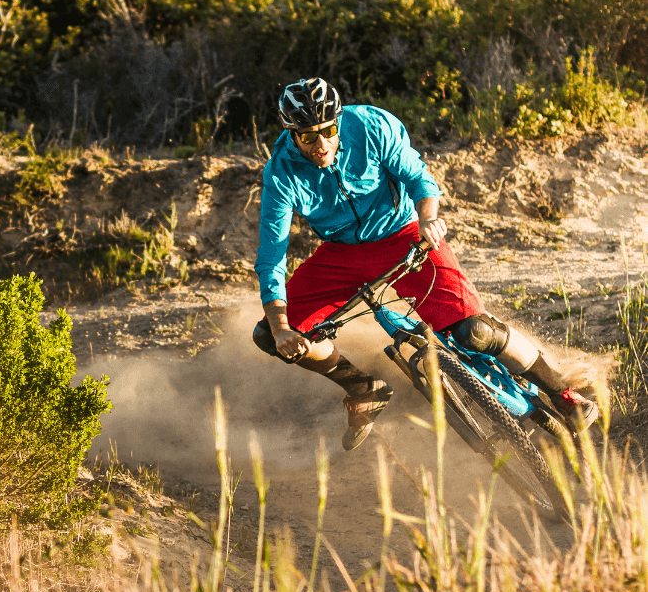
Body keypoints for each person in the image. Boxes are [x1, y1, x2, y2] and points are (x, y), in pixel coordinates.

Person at [253, 77, 598, 451]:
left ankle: (564, 396)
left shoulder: (371, 125)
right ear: (292, 134)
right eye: (307, 136)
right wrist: (282, 327)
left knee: (475, 332)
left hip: (403, 232)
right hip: (341, 252)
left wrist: (428, 219)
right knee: (270, 335)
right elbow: (272, 257)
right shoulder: (280, 174)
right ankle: (361, 387)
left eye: (328, 130)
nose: (320, 143)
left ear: (339, 120)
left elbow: (419, 179)